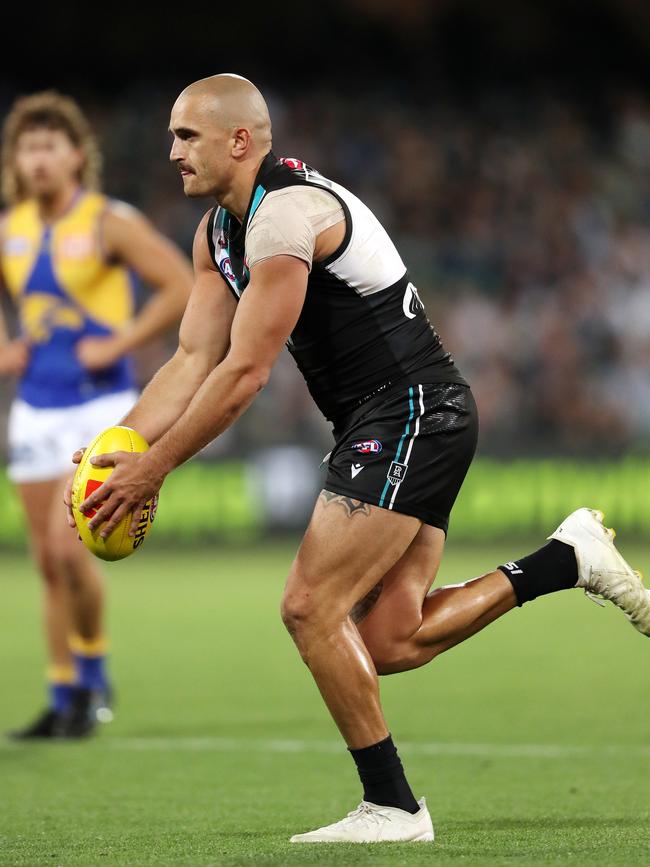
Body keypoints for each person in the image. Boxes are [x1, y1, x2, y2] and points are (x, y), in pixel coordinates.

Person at [66, 75, 650, 842]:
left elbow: (242, 376)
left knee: (309, 606)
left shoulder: (286, 216)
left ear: (239, 141)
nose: (170, 151)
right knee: (386, 641)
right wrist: (123, 446)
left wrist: (154, 468)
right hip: (402, 419)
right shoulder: (217, 233)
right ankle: (563, 560)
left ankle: (395, 807)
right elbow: (190, 357)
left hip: (412, 412)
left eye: (186, 136)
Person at [0, 91, 193, 739]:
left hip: (102, 406)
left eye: (50, 145)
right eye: (28, 147)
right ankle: (63, 694)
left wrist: (119, 342)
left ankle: (93, 672)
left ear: (77, 157)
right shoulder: (10, 230)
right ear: (16, 161)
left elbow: (180, 285)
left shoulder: (109, 221)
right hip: (35, 409)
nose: (38, 158)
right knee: (47, 562)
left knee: (68, 545)